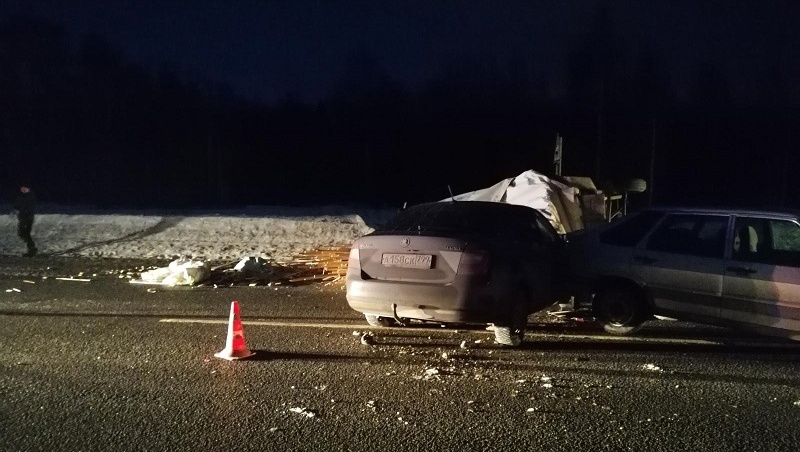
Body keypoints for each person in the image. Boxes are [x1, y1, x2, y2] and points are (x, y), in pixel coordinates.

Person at [11, 185, 37, 256]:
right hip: (22, 216)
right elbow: (17, 204)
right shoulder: (20, 196)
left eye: (25, 188)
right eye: (22, 188)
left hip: (28, 217)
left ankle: (32, 248)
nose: (23, 189)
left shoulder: (31, 196)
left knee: (25, 233)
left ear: (28, 189)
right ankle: (31, 248)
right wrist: (15, 209)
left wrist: (28, 214)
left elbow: (31, 207)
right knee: (22, 233)